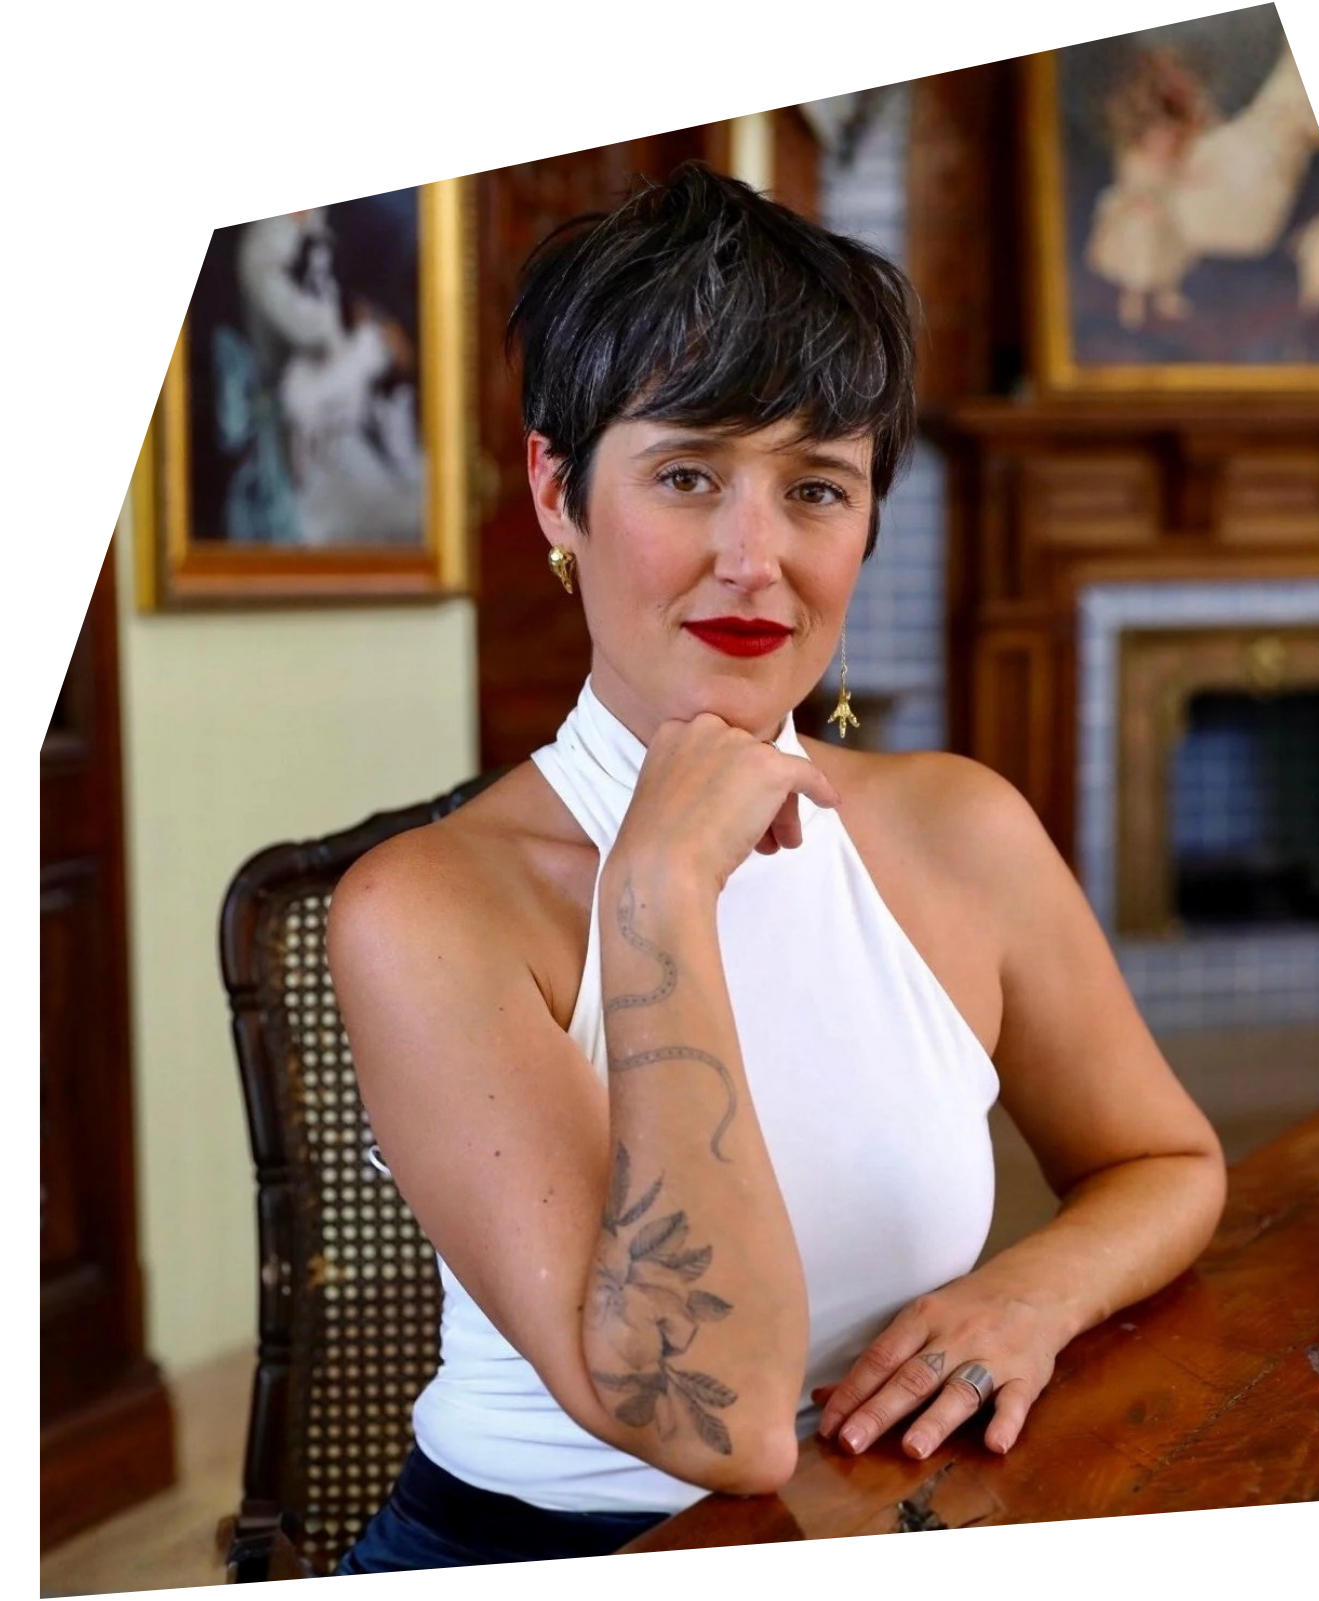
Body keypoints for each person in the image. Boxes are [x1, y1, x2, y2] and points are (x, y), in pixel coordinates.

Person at [325, 162, 1227, 1580]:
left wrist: (1032, 1296)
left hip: (885, 1523)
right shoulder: (426, 910)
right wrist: (656, 896)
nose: (757, 560)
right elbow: (724, 1424)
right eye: (687, 476)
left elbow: (1165, 1161)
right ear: (557, 491)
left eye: (816, 487)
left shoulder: (961, 828)